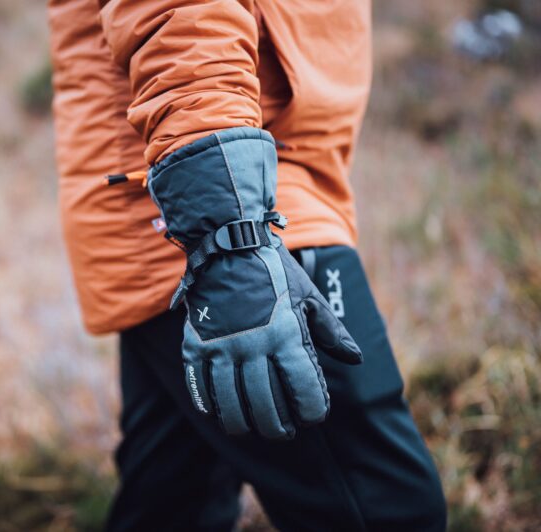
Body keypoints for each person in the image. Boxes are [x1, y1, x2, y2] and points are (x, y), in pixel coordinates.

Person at [46, 1, 447, 530]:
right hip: (229, 200)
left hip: (217, 186)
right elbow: (179, 13)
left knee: (175, 504)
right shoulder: (230, 233)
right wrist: (229, 243)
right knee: (386, 505)